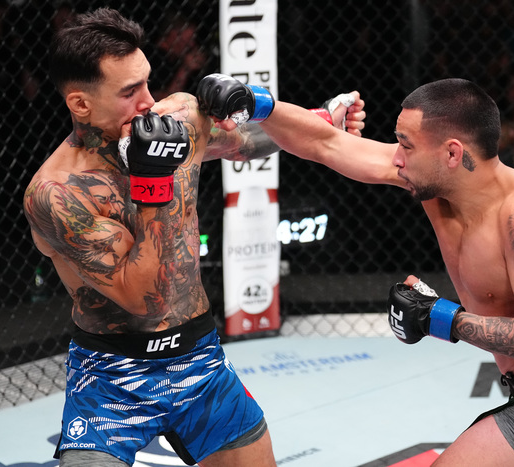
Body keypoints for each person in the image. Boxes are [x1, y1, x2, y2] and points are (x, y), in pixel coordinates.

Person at [197, 74, 514, 466]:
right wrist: (257, 103)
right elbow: (325, 143)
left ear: (452, 153)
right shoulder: (434, 183)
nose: (395, 157)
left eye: (406, 145)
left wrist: (439, 318)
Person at [22, 8, 365, 466]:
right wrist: (153, 181)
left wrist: (324, 117)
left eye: (147, 83)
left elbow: (245, 141)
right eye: (129, 92)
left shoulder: (176, 117)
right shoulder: (58, 195)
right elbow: (144, 298)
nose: (148, 102)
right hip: (111, 377)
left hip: (199, 359)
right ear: (81, 104)